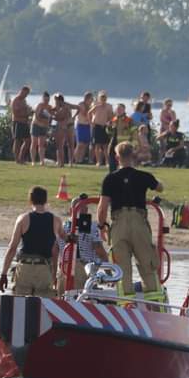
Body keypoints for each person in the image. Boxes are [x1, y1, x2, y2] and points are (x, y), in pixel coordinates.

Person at [96, 142, 165, 300]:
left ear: (116, 157)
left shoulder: (110, 179)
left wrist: (101, 226)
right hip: (139, 222)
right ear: (133, 156)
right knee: (148, 266)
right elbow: (160, 187)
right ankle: (156, 307)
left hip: (119, 223)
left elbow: (102, 207)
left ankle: (125, 306)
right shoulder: (144, 176)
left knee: (122, 270)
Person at [0, 186, 67, 297]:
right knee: (44, 304)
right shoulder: (56, 220)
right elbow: (65, 239)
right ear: (45, 201)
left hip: (25, 268)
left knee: (20, 304)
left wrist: (3, 274)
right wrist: (54, 275)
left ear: (30, 200)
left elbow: (12, 248)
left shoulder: (23, 219)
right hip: (44, 270)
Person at [58, 194, 111, 293]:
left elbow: (54, 251)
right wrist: (109, 274)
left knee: (63, 300)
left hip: (63, 269)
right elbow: (100, 251)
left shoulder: (61, 228)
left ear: (70, 211)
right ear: (86, 211)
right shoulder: (92, 227)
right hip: (83, 268)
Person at [51, 94, 80, 167]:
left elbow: (59, 117)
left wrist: (74, 116)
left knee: (69, 145)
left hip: (67, 126)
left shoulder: (65, 106)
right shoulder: (59, 106)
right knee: (62, 145)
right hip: (66, 126)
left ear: (59, 100)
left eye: (56, 100)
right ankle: (62, 162)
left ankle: (69, 162)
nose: (55, 102)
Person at [107, 103, 136, 173]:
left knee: (124, 163)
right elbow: (109, 133)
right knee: (112, 162)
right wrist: (108, 127)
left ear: (124, 110)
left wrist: (134, 145)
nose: (118, 111)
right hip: (113, 144)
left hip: (124, 145)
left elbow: (134, 133)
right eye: (117, 109)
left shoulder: (129, 120)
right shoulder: (113, 120)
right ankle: (112, 176)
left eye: (120, 109)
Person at [89, 91, 113, 167]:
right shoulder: (95, 105)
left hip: (105, 127)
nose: (103, 99)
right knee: (97, 145)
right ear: (99, 98)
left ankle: (107, 162)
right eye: (102, 97)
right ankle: (98, 161)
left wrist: (109, 123)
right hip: (97, 126)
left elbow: (111, 116)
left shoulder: (109, 106)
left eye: (104, 97)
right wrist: (91, 122)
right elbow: (89, 113)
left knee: (106, 146)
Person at [10, 86, 32, 165]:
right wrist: (25, 113)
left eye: (27, 94)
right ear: (22, 91)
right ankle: (17, 159)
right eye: (25, 93)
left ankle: (21, 157)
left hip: (24, 123)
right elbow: (15, 113)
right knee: (17, 141)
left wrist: (28, 112)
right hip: (17, 122)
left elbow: (27, 110)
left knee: (28, 141)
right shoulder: (15, 100)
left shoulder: (24, 100)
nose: (26, 95)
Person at [31, 91, 53, 165]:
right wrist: (44, 122)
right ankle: (33, 161)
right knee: (34, 143)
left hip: (44, 127)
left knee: (42, 144)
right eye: (45, 100)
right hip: (36, 125)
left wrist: (48, 124)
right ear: (42, 99)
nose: (46, 101)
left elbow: (51, 117)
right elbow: (37, 116)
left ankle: (41, 161)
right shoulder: (39, 105)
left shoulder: (49, 107)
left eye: (48, 100)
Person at [72, 91, 94, 165]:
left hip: (87, 126)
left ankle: (80, 159)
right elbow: (84, 114)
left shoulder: (91, 106)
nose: (92, 100)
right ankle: (75, 159)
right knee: (80, 144)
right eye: (91, 98)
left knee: (85, 144)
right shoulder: (81, 104)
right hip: (80, 125)